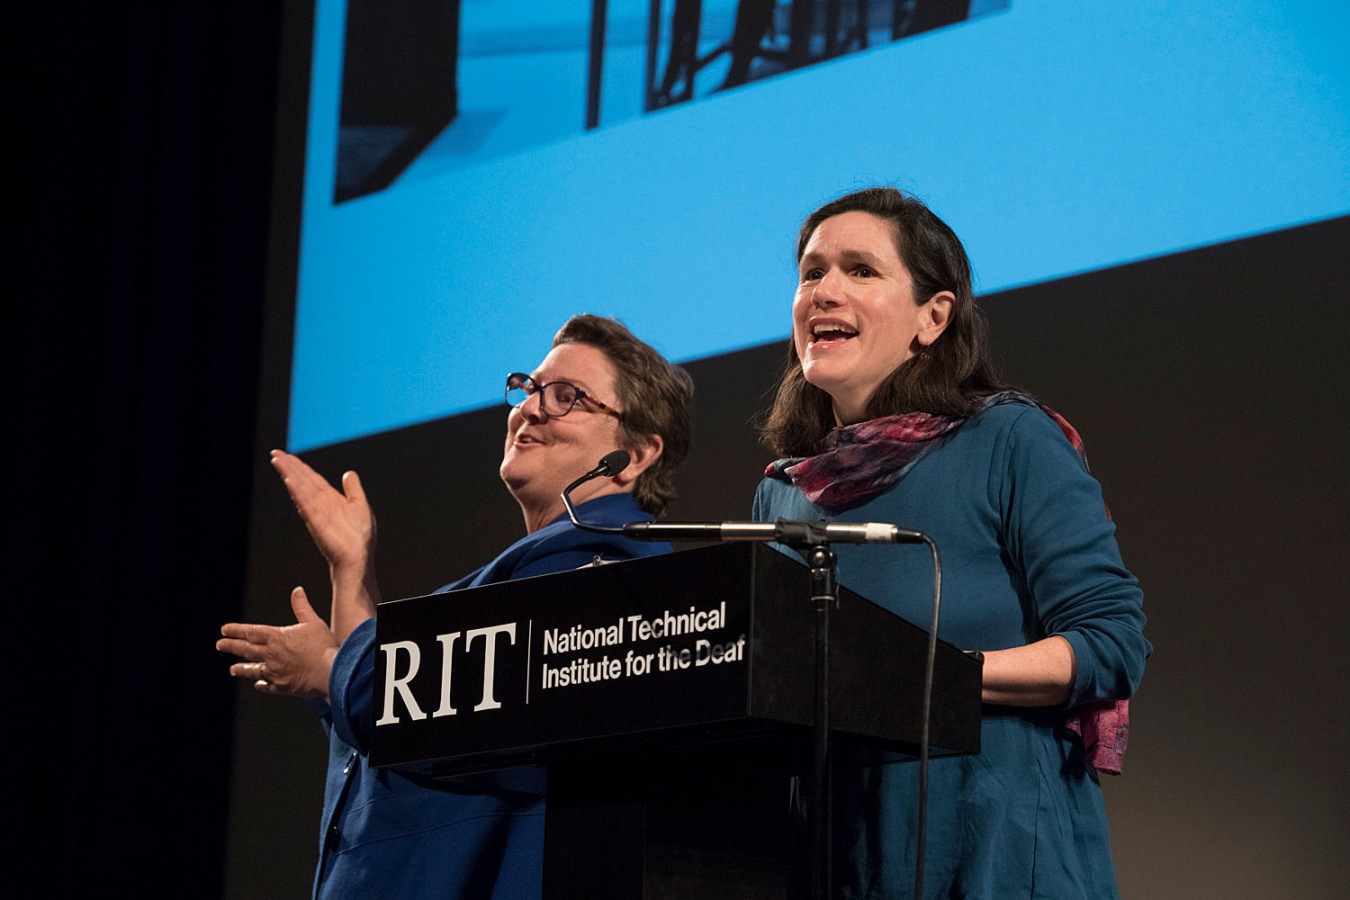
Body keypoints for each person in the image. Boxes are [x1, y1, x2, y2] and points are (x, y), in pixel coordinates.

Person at [752, 187, 1150, 898]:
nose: (823, 292)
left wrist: (936, 675)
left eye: (859, 271)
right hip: (836, 855)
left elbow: (1110, 642)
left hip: (996, 849)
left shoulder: (1009, 439)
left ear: (933, 317)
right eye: (811, 273)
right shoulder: (783, 494)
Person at [218, 314, 694, 899]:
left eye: (567, 397)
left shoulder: (601, 573)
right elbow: (410, 719)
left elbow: (427, 714)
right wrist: (352, 572)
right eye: (529, 388)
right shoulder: (517, 578)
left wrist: (327, 668)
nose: (531, 409)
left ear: (639, 453)